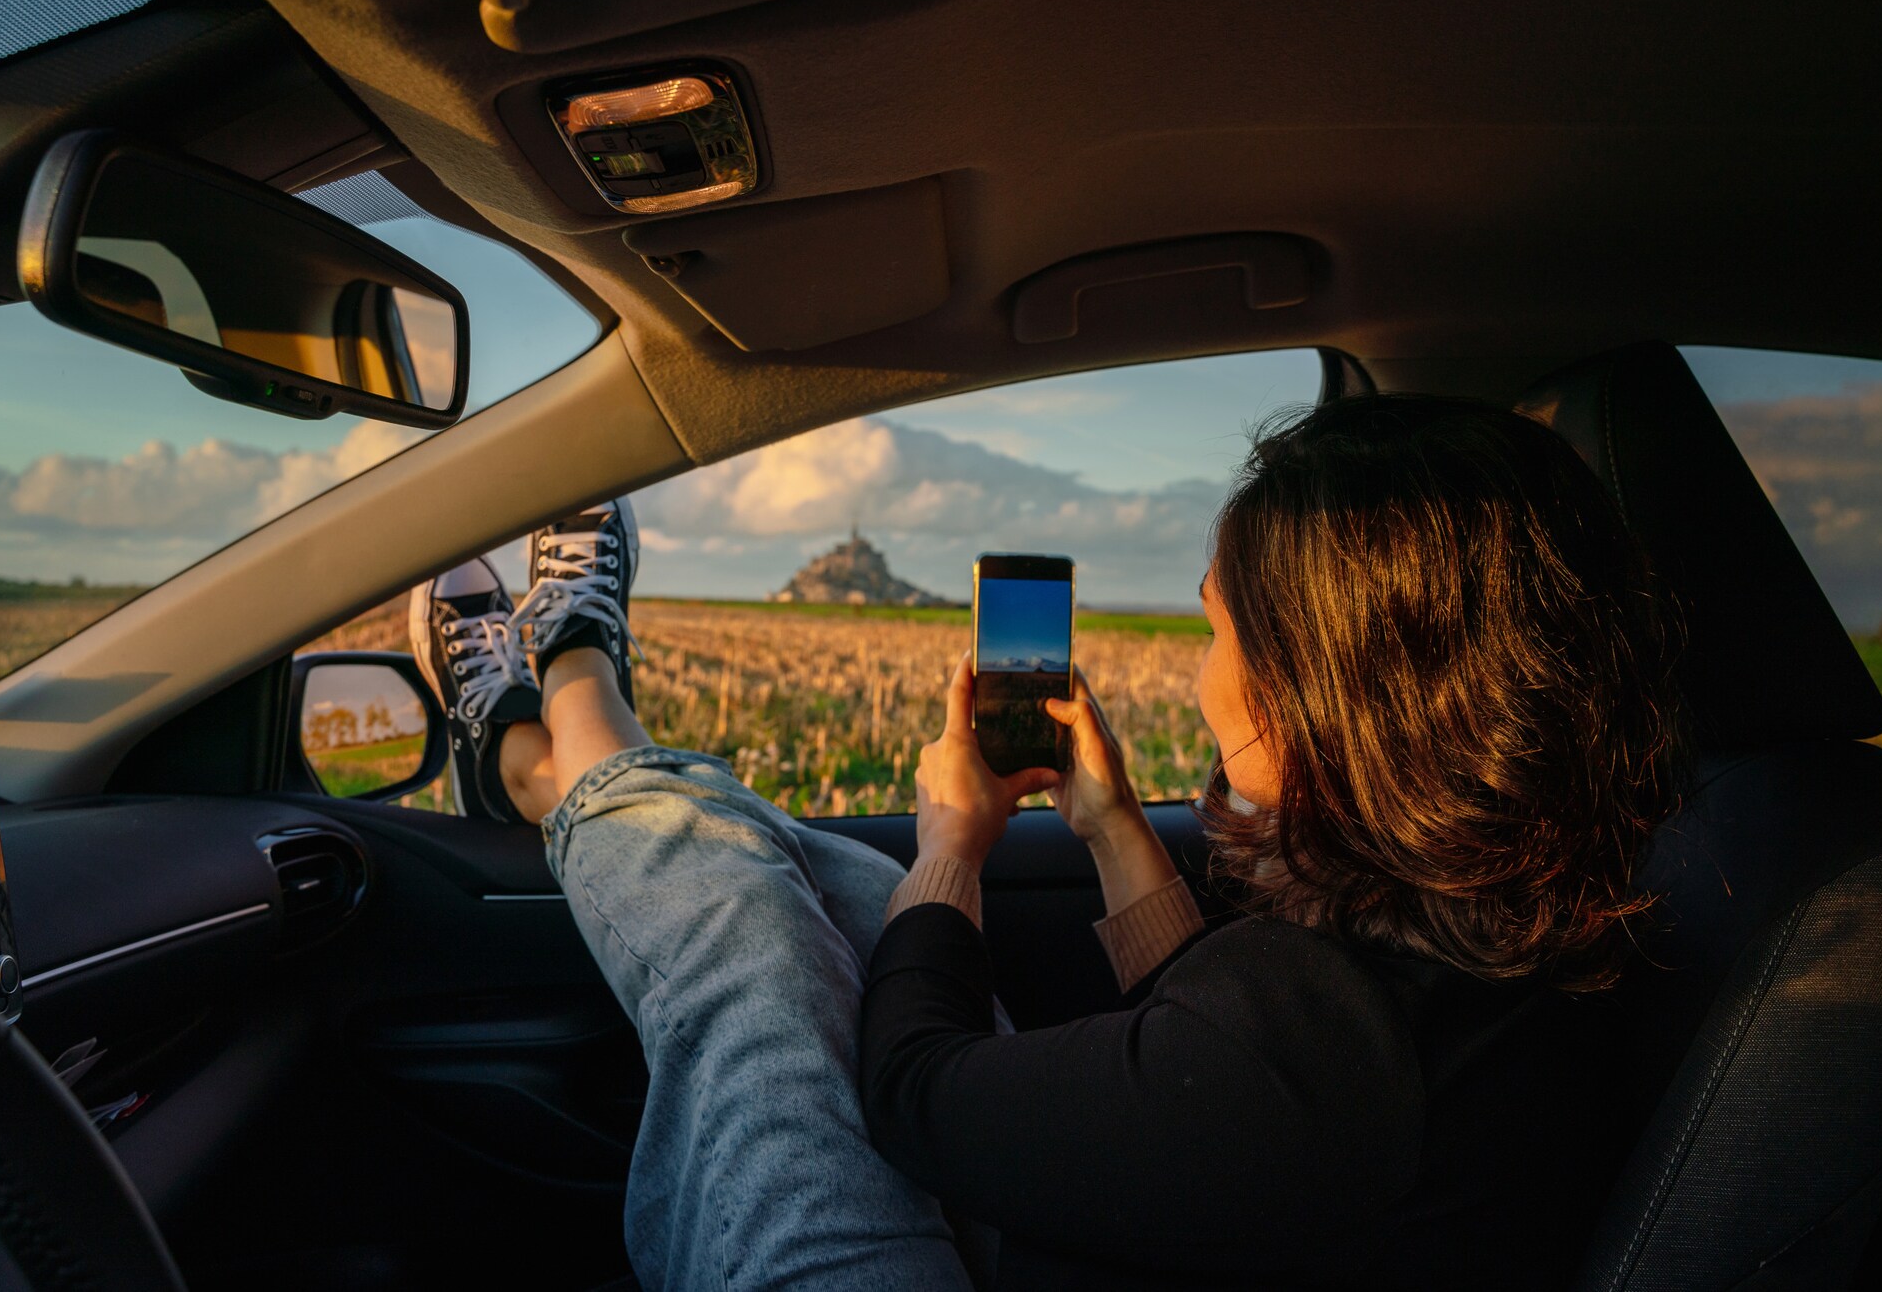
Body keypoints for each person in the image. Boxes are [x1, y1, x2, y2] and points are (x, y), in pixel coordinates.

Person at [413, 394, 1688, 1291]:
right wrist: (1110, 825)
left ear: (1318, 695)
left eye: (1215, 629)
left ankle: (557, 695)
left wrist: (957, 851)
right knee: (816, 869)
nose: (1202, 678)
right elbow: (1206, 1065)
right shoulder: (1485, 966)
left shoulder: (1319, 1066)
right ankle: (546, 749)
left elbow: (913, 1097)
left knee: (735, 925)